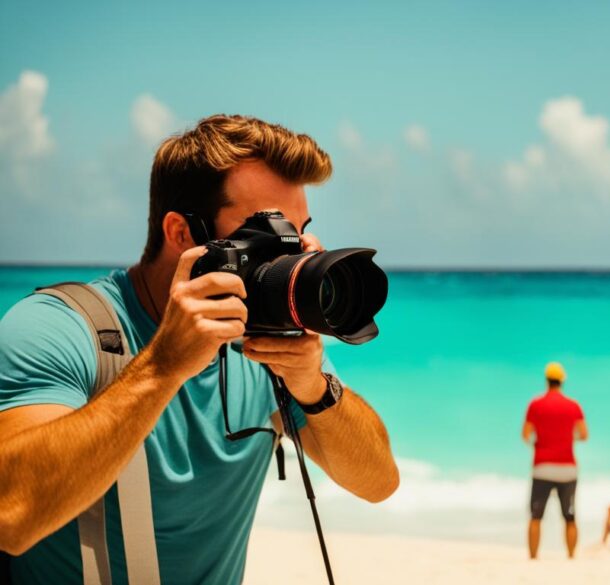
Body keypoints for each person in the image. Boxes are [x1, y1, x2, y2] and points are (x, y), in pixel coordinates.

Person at [0, 115, 400, 583]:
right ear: (181, 233)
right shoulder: (60, 328)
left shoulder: (266, 342)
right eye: (266, 236)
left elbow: (378, 482)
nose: (293, 257)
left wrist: (313, 385)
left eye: (297, 233)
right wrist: (162, 366)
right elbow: (11, 514)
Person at [522, 362, 588, 559]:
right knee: (570, 517)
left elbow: (526, 435)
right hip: (567, 468)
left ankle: (533, 558)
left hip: (542, 466)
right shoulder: (573, 405)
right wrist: (567, 439)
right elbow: (584, 435)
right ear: (562, 381)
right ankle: (571, 557)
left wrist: (541, 442)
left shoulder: (535, 404)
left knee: (535, 517)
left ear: (546, 380)